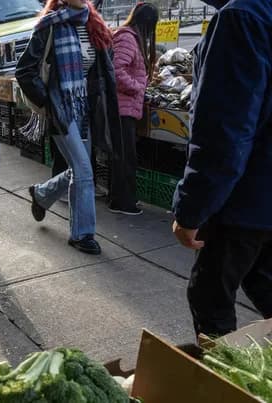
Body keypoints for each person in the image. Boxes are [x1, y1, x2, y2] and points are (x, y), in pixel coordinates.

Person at [172, 0, 272, 337]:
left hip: (247, 198)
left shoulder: (241, 17)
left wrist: (190, 211)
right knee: (261, 280)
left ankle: (225, 386)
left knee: (210, 297)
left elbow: (224, 135)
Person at [16, 0, 121, 255]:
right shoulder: (49, 25)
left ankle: (42, 194)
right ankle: (82, 234)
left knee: (79, 168)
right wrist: (48, 102)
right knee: (84, 170)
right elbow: (24, 70)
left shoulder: (94, 22)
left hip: (87, 108)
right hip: (62, 108)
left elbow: (105, 65)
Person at [108, 3, 158, 216]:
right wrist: (138, 87)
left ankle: (120, 198)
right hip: (122, 107)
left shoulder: (129, 37)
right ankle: (122, 202)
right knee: (125, 156)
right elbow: (116, 70)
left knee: (124, 155)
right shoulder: (128, 38)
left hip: (125, 107)